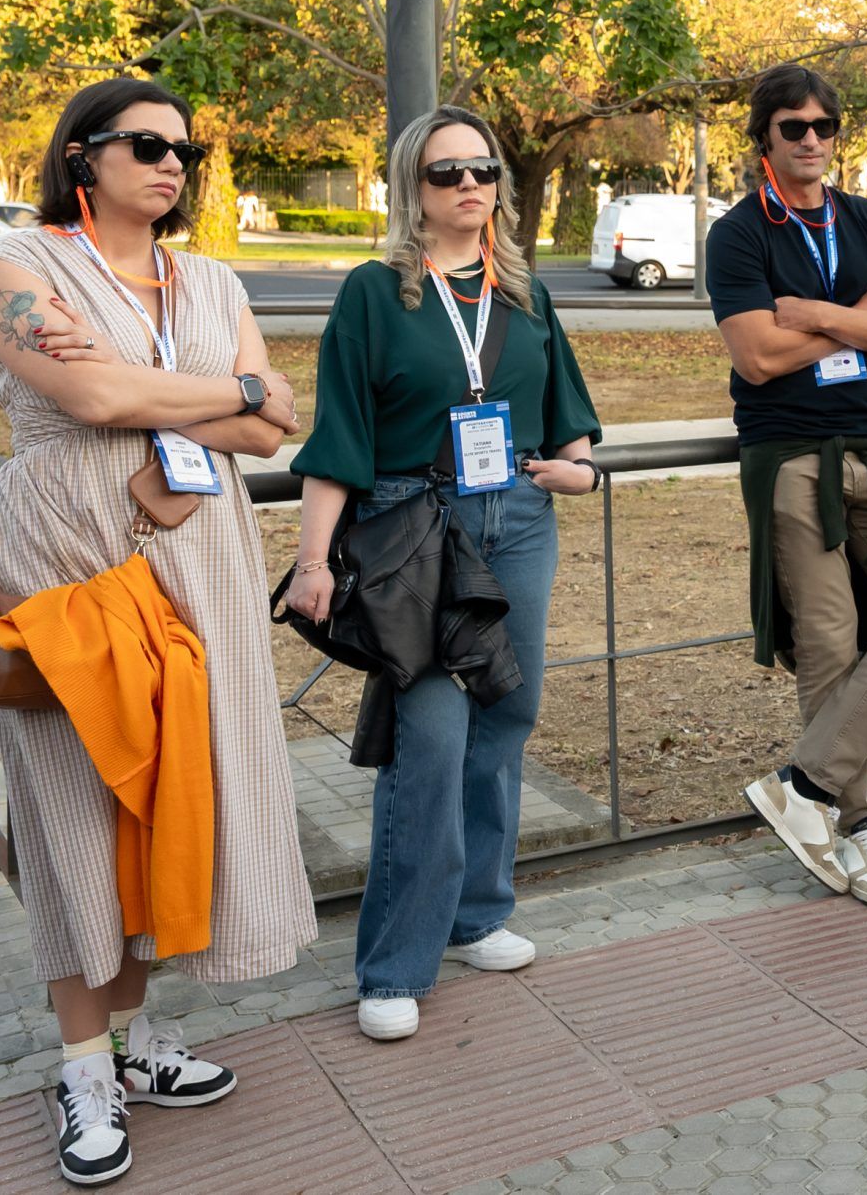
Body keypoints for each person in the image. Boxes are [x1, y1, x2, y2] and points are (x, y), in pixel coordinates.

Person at [0, 76, 316, 1185]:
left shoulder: (209, 278)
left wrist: (178, 387)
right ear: (83, 154)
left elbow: (273, 427)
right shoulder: (13, 264)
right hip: (73, 557)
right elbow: (98, 405)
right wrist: (229, 385)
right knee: (76, 807)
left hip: (202, 559)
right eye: (149, 145)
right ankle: (84, 1069)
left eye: (186, 151)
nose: (174, 164)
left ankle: (133, 1037)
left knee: (179, 797)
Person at [283, 106, 603, 1044]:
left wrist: (581, 470)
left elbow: (569, 417)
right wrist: (312, 561)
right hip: (415, 528)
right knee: (428, 737)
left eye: (482, 169)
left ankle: (476, 915)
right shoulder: (375, 293)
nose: (469, 185)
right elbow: (339, 437)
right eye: (445, 172)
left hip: (518, 521)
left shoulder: (525, 292)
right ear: (410, 189)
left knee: (506, 714)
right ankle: (395, 962)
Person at [712, 63, 867, 910]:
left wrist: (818, 313)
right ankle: (857, 823)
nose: (812, 139)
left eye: (825, 125)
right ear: (765, 138)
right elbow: (757, 357)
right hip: (791, 458)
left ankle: (805, 786)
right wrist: (866, 317)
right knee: (827, 643)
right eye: (794, 126)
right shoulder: (739, 234)